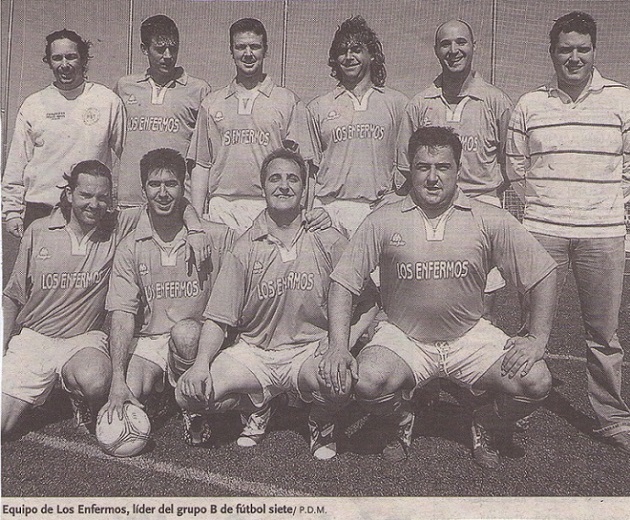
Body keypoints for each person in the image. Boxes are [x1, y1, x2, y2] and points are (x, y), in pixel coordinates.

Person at [321, 126, 557, 469]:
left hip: (468, 336)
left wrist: (538, 338)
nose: (433, 178)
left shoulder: (487, 217)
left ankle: (484, 421)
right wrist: (338, 346)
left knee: (536, 380)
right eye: (423, 167)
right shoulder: (383, 219)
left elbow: (543, 272)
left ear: (457, 170)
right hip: (405, 337)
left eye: (442, 167)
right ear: (410, 169)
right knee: (368, 380)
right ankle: (402, 421)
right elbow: (343, 282)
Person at [176, 148, 377, 459]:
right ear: (263, 187)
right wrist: (200, 364)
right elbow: (219, 318)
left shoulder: (328, 238)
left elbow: (370, 302)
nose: (284, 186)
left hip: (308, 352)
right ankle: (256, 403)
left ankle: (320, 421)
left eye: (293, 179)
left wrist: (341, 344)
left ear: (305, 188)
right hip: (256, 353)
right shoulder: (244, 247)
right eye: (275, 179)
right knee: (188, 396)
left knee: (339, 381)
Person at [2, 158, 212, 438]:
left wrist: (196, 229)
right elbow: (12, 297)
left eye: (102, 197)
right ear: (69, 194)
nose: (94, 204)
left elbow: (169, 201)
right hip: (35, 338)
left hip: (83, 340)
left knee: (99, 379)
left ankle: (78, 395)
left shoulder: (116, 225)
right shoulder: (38, 231)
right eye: (86, 195)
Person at [506, 11, 630, 454]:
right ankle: (519, 404)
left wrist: (613, 211)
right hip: (543, 233)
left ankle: (612, 418)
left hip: (603, 235)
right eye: (565, 49)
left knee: (603, 335)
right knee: (531, 326)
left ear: (594, 51)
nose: (573, 57)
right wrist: (540, 211)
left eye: (582, 48)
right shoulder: (529, 104)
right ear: (552, 52)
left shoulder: (622, 100)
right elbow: (516, 168)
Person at [103, 149, 235, 436]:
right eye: (154, 184)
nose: (163, 193)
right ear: (143, 191)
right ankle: (164, 391)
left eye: (171, 184)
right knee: (126, 399)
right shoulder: (130, 246)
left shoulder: (215, 236)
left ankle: (193, 408)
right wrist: (117, 380)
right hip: (150, 340)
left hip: (196, 341)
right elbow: (123, 314)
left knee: (186, 334)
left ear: (183, 187)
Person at [396, 19, 513, 321]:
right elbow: (407, 168)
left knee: (484, 304)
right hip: (432, 209)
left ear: (474, 46)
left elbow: (508, 161)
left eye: (461, 42)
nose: (454, 50)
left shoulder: (496, 101)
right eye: (445, 44)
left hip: (481, 206)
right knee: (431, 298)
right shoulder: (419, 103)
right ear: (436, 50)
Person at [187, 18, 316, 235]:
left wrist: (303, 212)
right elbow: (201, 165)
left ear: (265, 50)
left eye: (255, 46)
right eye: (241, 47)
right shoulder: (212, 103)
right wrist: (198, 220)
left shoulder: (287, 101)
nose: (248, 53)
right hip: (222, 207)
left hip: (271, 207)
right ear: (232, 51)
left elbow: (304, 166)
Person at [2, 29, 125, 238]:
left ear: (83, 59)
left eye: (71, 56)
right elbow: (16, 163)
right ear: (49, 62)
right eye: (57, 58)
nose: (64, 64)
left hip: (91, 211)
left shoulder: (108, 101)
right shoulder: (33, 104)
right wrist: (12, 211)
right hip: (41, 210)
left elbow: (126, 158)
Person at [307, 15, 408, 237]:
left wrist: (397, 198)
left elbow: (408, 165)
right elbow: (311, 171)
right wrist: (313, 209)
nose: (349, 56)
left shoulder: (397, 103)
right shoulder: (318, 107)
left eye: (356, 49)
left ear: (372, 55)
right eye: (342, 51)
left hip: (378, 208)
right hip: (328, 211)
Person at [115, 15, 211, 207]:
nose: (167, 56)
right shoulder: (125, 86)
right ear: (144, 49)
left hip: (176, 202)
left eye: (173, 48)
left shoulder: (199, 89)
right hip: (131, 200)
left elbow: (203, 154)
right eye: (160, 49)